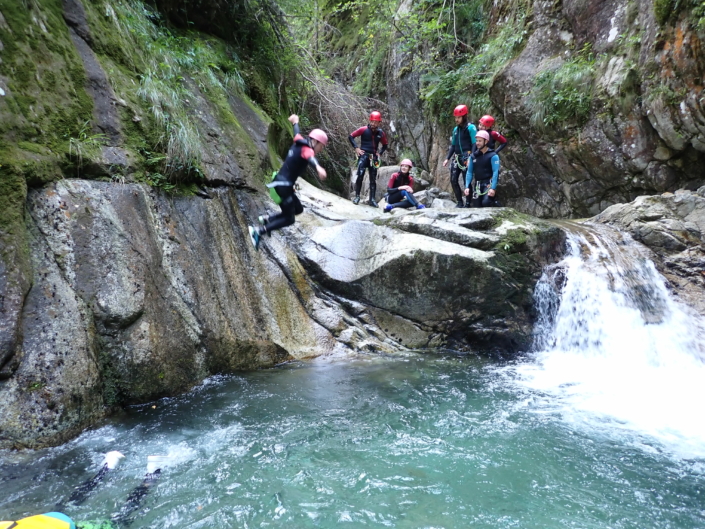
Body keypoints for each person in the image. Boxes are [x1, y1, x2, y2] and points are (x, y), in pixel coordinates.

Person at [1, 453, 168, 529]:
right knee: (67, 506)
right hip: (46, 521)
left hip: (61, 526)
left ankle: (151, 476)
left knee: (119, 522)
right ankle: (107, 467)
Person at [249, 115, 328, 251]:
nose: (321, 149)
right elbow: (310, 158)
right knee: (289, 219)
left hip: (281, 183)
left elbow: (296, 132)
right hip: (283, 186)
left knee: (298, 209)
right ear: (315, 141)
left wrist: (295, 122)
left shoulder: (299, 140)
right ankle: (258, 231)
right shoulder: (307, 150)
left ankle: (267, 219)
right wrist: (318, 167)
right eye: (321, 146)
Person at [348, 111, 389, 207]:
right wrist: (356, 148)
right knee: (360, 175)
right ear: (370, 121)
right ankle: (357, 196)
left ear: (379, 122)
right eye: (372, 121)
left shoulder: (381, 133)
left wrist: (380, 153)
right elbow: (351, 136)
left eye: (376, 122)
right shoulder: (363, 129)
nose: (374, 124)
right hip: (364, 155)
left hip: (373, 157)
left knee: (373, 178)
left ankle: (372, 200)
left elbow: (385, 144)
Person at [442, 105, 477, 208]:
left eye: (458, 117)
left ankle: (468, 203)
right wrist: (447, 158)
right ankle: (459, 202)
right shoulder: (455, 130)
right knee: (453, 179)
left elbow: (474, 143)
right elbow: (453, 145)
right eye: (455, 117)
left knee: (467, 180)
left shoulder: (471, 127)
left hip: (467, 156)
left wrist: (471, 157)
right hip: (457, 157)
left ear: (464, 116)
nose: (456, 119)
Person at [464, 130, 501, 208]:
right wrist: (467, 186)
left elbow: (495, 172)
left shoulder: (493, 156)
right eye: (477, 141)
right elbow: (469, 172)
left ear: (486, 141)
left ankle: (495, 203)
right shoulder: (473, 156)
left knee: (486, 202)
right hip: (478, 184)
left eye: (480, 141)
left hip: (488, 184)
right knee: (476, 206)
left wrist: (493, 188)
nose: (477, 143)